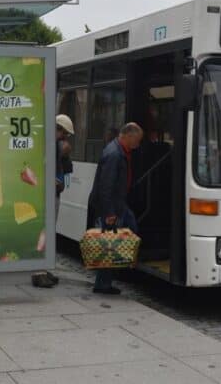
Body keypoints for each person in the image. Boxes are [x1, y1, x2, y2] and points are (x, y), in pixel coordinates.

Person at [87, 122, 143, 295]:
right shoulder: (114, 154)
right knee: (110, 245)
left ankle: (116, 271)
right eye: (137, 140)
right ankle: (103, 284)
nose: (138, 144)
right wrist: (109, 213)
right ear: (128, 136)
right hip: (111, 206)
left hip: (118, 204)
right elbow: (106, 187)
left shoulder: (120, 151)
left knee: (129, 233)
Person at [31, 114, 75, 289]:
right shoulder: (46, 144)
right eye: (64, 134)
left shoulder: (54, 145)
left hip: (54, 193)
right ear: (58, 129)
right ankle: (38, 272)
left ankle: (44, 268)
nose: (65, 138)